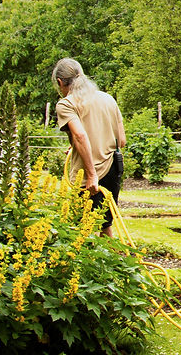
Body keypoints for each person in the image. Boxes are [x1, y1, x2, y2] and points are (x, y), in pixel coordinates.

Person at [53, 57, 126, 237]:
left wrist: (92, 175)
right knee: (104, 224)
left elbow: (80, 135)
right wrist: (76, 148)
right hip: (113, 168)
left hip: (88, 175)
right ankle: (111, 256)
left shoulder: (67, 103)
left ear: (60, 82)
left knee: (81, 229)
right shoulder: (107, 99)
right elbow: (121, 141)